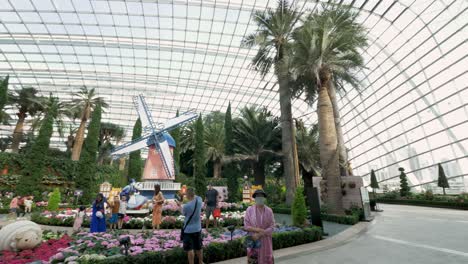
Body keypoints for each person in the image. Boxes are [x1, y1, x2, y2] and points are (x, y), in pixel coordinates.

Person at [244, 189, 275, 264]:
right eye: (257, 196)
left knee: (266, 259)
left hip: (265, 241)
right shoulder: (249, 210)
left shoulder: (269, 210)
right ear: (254, 198)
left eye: (261, 196)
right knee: (253, 260)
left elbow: (272, 226)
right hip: (253, 239)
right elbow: (246, 226)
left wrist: (260, 234)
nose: (260, 198)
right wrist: (258, 230)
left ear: (264, 198)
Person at [177, 188, 203, 264]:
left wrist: (179, 205)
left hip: (188, 230)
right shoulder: (199, 200)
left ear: (187, 195)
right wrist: (190, 193)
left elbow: (183, 213)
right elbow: (196, 196)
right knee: (199, 247)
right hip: (198, 228)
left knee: (190, 249)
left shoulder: (187, 206)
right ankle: (200, 262)